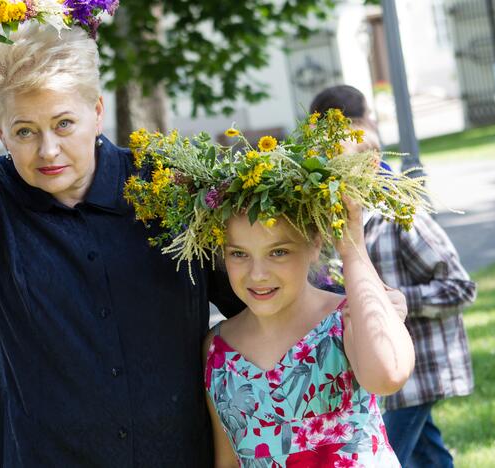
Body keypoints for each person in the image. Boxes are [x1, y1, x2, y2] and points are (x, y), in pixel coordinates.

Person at [0, 18, 243, 467]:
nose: (47, 150)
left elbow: (255, 297)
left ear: (97, 110)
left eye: (64, 123)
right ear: (0, 126)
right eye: (25, 130)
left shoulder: (166, 188)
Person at [310, 84, 478, 467]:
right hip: (379, 371)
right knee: (427, 456)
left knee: (388, 453)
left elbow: (460, 287)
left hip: (419, 371)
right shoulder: (331, 227)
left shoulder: (399, 218)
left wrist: (388, 301)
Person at [204, 202, 412, 466]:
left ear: (315, 243)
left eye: (278, 252)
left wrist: (353, 249)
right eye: (239, 254)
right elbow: (228, 460)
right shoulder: (218, 349)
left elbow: (388, 375)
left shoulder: (346, 317)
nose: (257, 274)